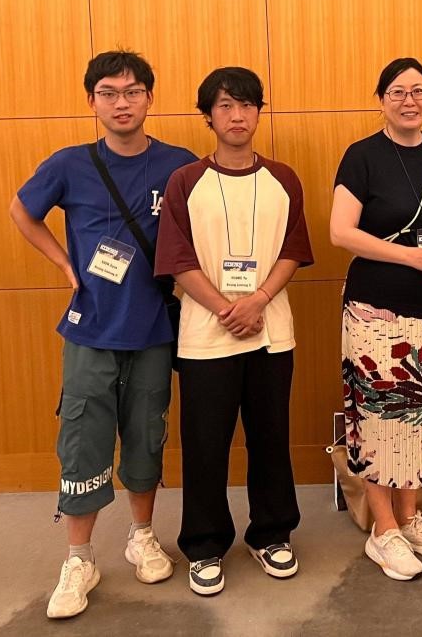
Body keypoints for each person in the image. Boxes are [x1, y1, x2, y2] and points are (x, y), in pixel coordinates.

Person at [9, 51, 197, 619]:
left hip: (154, 327)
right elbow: (22, 210)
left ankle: (142, 536)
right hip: (91, 329)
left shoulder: (178, 164)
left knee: (147, 434)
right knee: (83, 437)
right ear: (91, 101)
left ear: (149, 99)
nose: (122, 103)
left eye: (133, 92)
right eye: (109, 93)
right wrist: (63, 263)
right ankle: (79, 557)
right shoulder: (69, 164)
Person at [155, 67, 314, 596]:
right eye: (225, 105)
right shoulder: (185, 181)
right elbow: (177, 259)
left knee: (270, 437)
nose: (237, 115)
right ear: (208, 116)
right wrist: (229, 309)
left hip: (272, 332)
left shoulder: (283, 179)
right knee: (205, 444)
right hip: (206, 337)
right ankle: (204, 544)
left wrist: (258, 300)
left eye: (247, 104)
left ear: (259, 112)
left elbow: (293, 250)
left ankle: (272, 533)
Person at [329, 57, 422, 581]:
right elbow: (342, 231)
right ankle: (382, 530)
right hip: (375, 311)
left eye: (419, 90)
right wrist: (413, 258)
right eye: (398, 92)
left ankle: (409, 518)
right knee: (380, 418)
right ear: (381, 100)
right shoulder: (361, 156)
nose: (410, 101)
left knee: (421, 416)